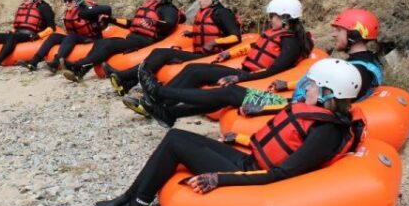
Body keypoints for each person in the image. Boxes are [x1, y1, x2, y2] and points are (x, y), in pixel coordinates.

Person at [95, 58, 364, 206]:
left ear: (328, 92)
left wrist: (220, 179)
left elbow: (282, 173)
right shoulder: (321, 119)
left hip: (251, 173)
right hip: (249, 160)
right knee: (176, 136)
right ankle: (129, 199)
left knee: (176, 143)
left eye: (313, 86)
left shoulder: (325, 132)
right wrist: (242, 139)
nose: (307, 89)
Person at [128, 8, 382, 128]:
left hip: (291, 107)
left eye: (339, 31)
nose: (334, 34)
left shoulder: (360, 71)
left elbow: (335, 102)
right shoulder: (363, 64)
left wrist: (292, 100)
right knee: (229, 93)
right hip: (293, 101)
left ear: (354, 34)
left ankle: (160, 94)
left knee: (231, 92)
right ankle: (168, 110)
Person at [124, 0, 311, 120]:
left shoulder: (291, 42)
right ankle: (158, 105)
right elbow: (255, 46)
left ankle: (157, 96)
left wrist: (240, 77)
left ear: (285, 18)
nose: (270, 20)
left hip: (255, 79)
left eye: (273, 16)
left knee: (211, 83)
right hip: (246, 72)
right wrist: (229, 53)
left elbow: (275, 70)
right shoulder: (277, 34)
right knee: (193, 69)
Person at [105, 0, 241, 96]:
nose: (199, 1)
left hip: (212, 56)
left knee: (162, 54)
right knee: (160, 53)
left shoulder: (222, 13)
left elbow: (236, 37)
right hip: (200, 53)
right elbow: (209, 31)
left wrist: (215, 42)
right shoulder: (208, 12)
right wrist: (193, 34)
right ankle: (127, 83)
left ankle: (123, 76)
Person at [61, 0, 183, 82]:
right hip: (134, 37)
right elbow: (131, 24)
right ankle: (82, 69)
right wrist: (111, 20)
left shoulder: (168, 9)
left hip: (147, 41)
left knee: (109, 44)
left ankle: (78, 66)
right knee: (101, 42)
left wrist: (154, 22)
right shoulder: (150, 7)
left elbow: (169, 24)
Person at [17, 0, 111, 74]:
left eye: (70, 1)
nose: (67, 3)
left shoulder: (85, 12)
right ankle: (34, 62)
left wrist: (97, 8)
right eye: (65, 1)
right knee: (54, 36)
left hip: (92, 38)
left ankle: (56, 62)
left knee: (71, 36)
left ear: (78, 1)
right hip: (78, 37)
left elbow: (107, 9)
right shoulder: (70, 12)